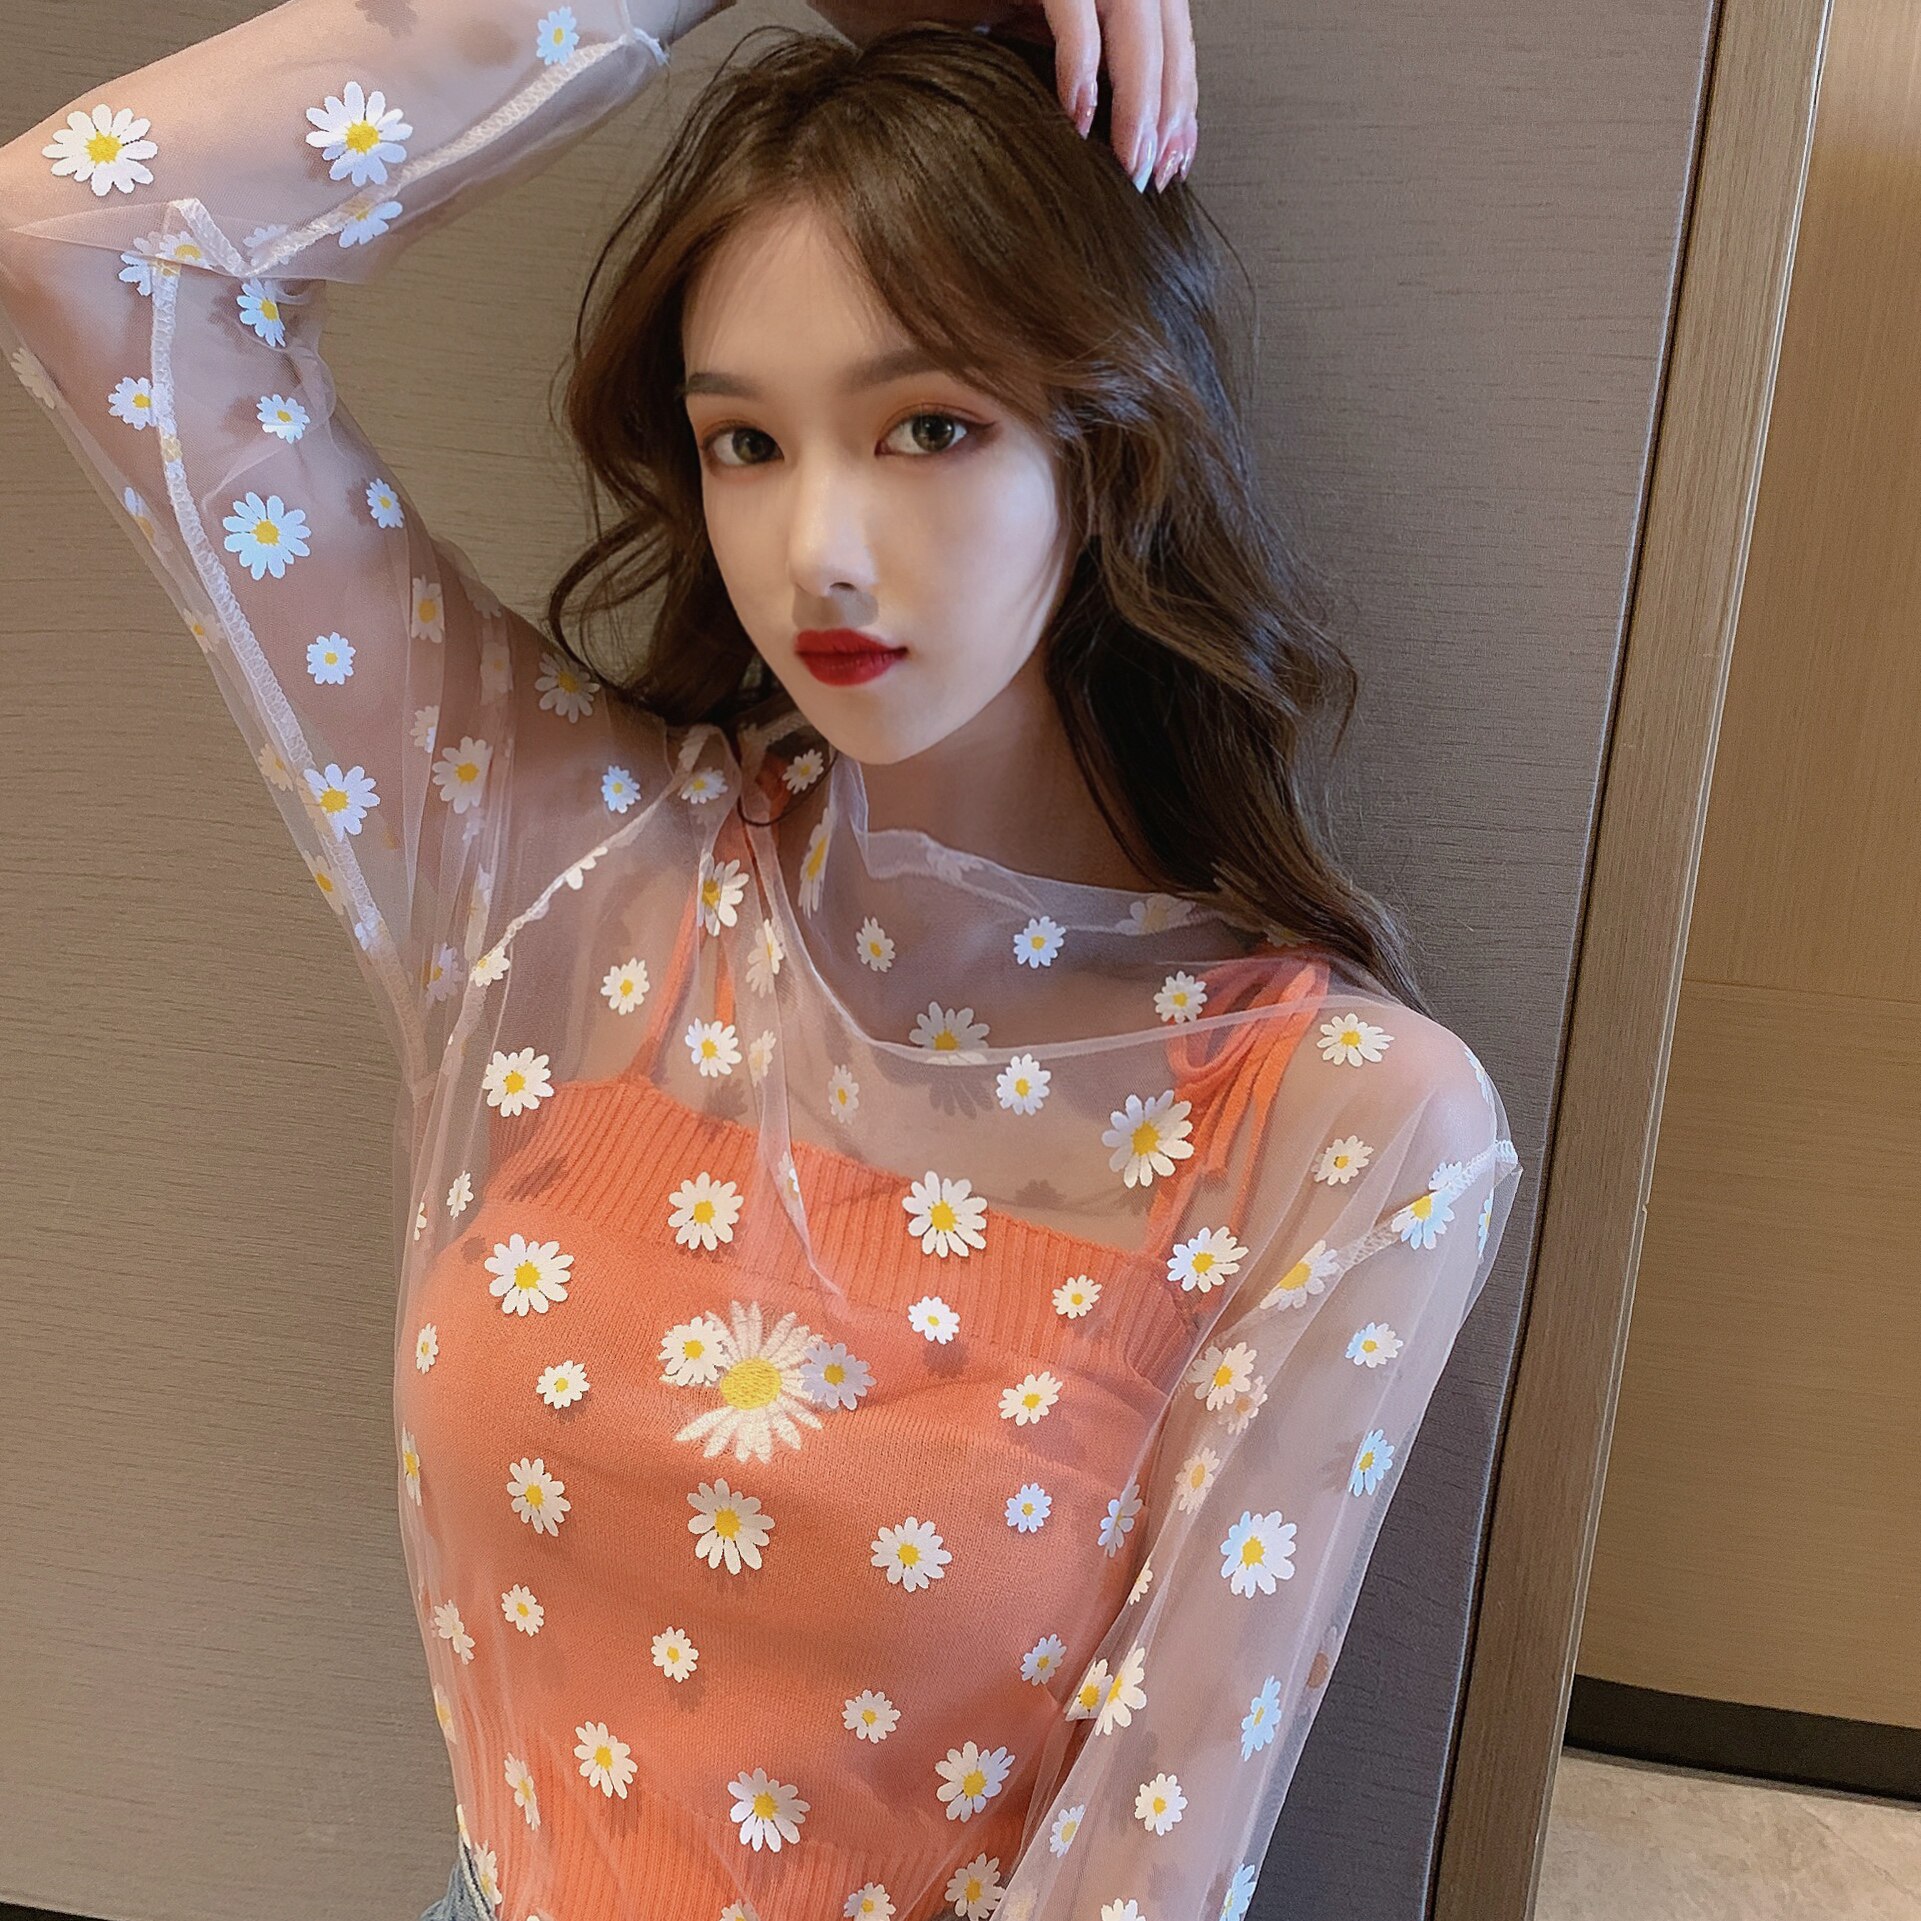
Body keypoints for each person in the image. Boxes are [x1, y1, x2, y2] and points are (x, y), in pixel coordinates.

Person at [0, 2, 1521, 1918]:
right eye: (744, 441)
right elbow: (84, 243)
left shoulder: (1340, 1124)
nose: (819, 552)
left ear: (1113, 436)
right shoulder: (561, 883)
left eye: (929, 426)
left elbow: (1143, 1872)